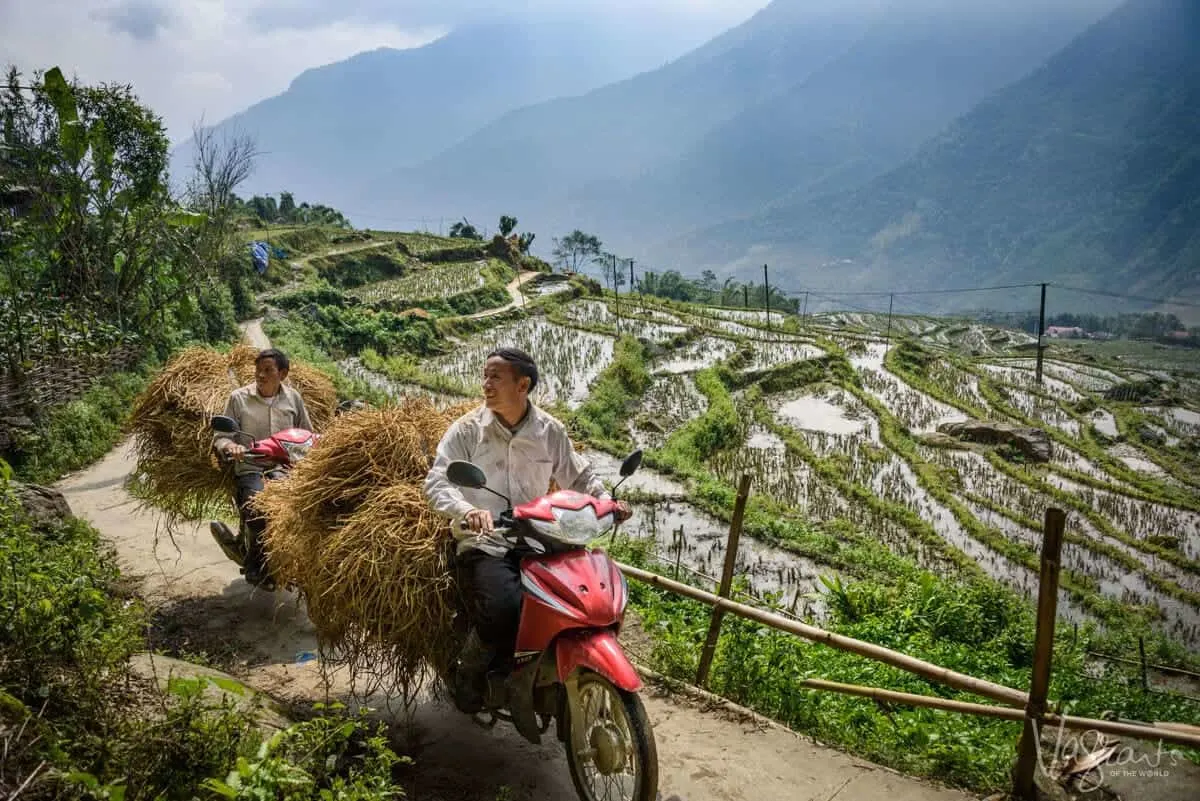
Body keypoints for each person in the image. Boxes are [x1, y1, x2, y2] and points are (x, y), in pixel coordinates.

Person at [424, 347, 630, 710]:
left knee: (583, 599)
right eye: (485, 376)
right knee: (504, 610)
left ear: (523, 385)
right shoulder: (468, 430)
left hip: (541, 538)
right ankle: (468, 676)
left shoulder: (549, 430)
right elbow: (438, 482)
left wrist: (606, 501)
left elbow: (578, 474)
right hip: (488, 541)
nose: (486, 384)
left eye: (495, 377)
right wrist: (468, 510)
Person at [212, 348, 312, 587]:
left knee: (303, 512)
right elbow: (221, 436)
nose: (261, 375)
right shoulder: (239, 398)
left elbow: (306, 433)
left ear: (283, 373)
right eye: (258, 370)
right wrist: (231, 447)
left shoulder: (293, 399)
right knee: (257, 509)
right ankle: (255, 563)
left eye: (268, 370)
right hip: (250, 467)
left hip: (285, 469)